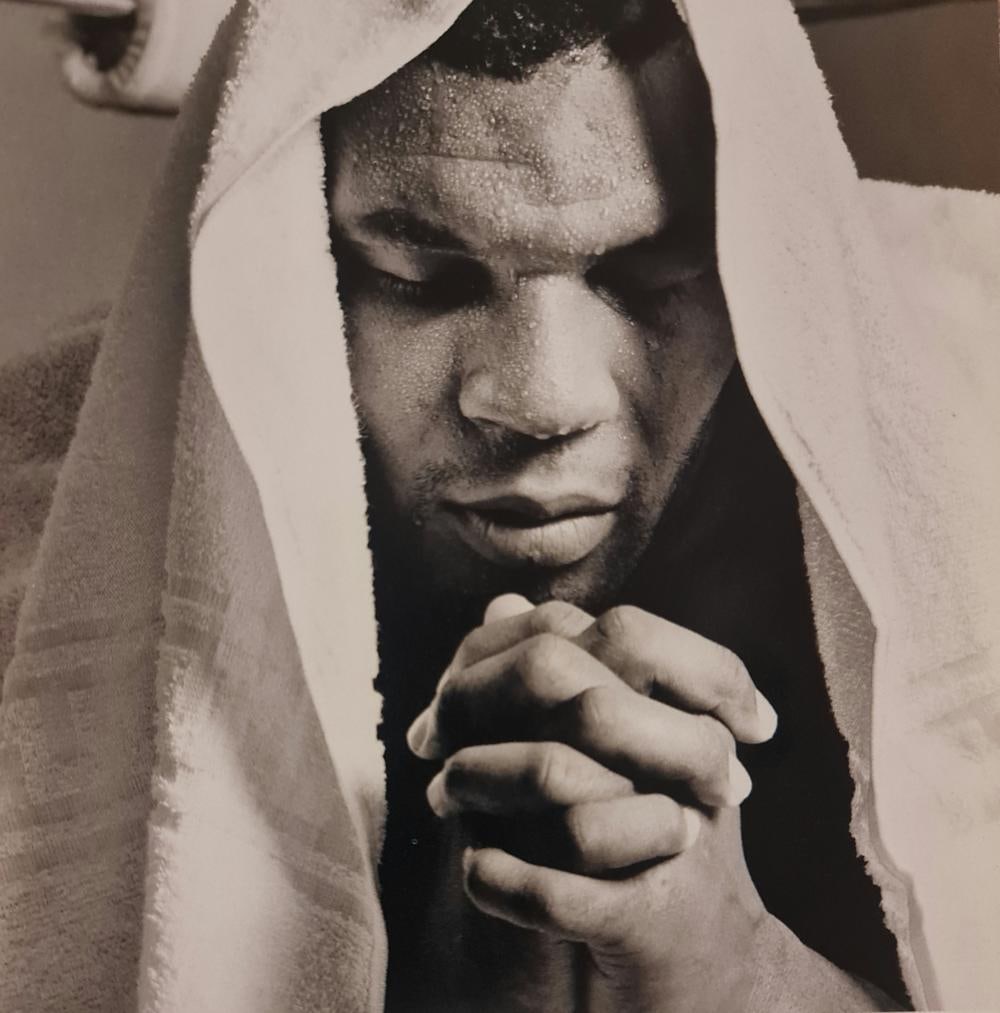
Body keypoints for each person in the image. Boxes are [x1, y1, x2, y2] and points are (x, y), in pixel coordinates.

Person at [2, 1, 997, 1011]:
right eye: (421, 279)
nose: (541, 397)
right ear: (285, 261)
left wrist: (735, 970)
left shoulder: (970, 441)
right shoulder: (39, 542)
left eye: (647, 275)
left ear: (763, 258)